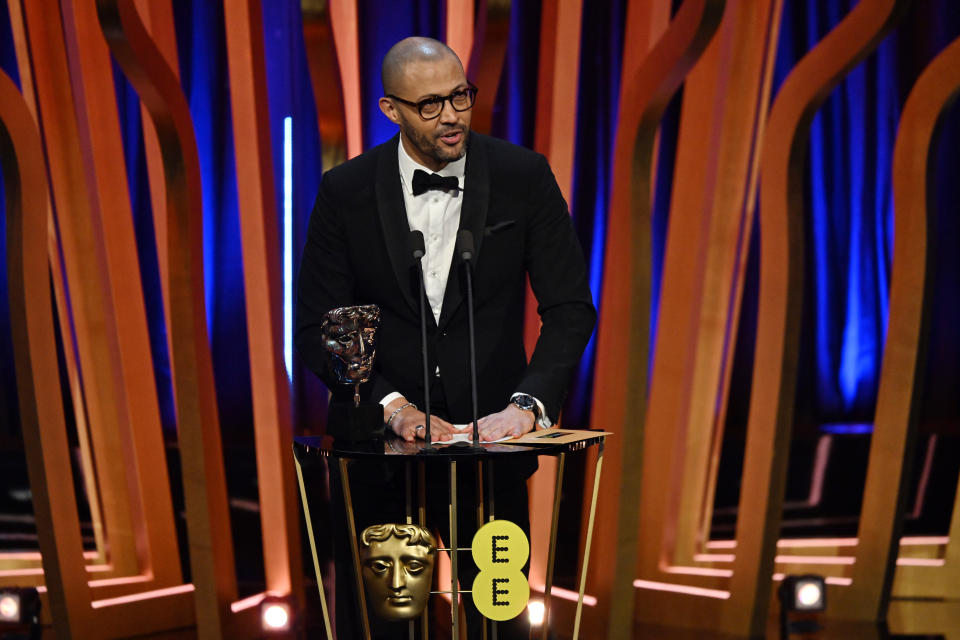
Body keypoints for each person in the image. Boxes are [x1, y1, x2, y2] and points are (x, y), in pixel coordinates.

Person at [296, 36, 595, 639]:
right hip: (377, 458)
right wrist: (393, 408)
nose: (453, 115)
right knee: (382, 627)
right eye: (430, 104)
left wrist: (526, 407)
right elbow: (316, 328)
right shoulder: (345, 191)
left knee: (498, 626)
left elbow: (569, 310)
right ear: (392, 110)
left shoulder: (522, 176)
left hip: (490, 456)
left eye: (460, 95)